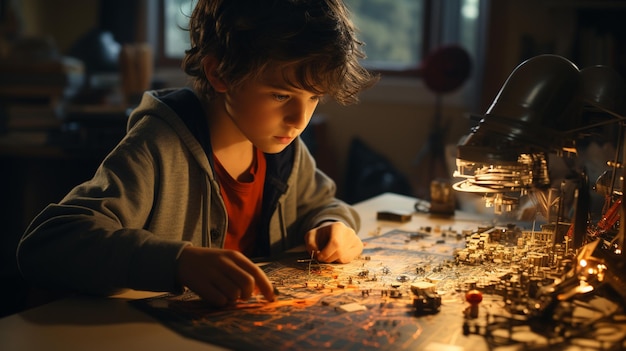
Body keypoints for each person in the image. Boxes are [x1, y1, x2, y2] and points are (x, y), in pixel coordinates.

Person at [16, 0, 377, 307]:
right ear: (219, 72)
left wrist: (333, 226)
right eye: (281, 95)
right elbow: (47, 244)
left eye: (313, 98)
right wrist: (178, 262)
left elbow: (323, 204)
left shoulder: (283, 150)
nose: (300, 119)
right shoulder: (159, 147)